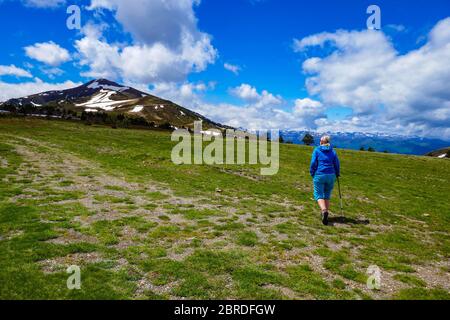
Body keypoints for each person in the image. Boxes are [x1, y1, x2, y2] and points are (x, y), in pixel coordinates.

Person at [309, 135, 340, 225]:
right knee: (327, 194)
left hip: (320, 174)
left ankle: (324, 211)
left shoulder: (317, 150)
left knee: (318, 194)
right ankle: (326, 214)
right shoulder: (333, 151)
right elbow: (336, 164)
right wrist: (337, 173)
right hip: (331, 175)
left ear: (322, 142)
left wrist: (312, 172)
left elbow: (313, 163)